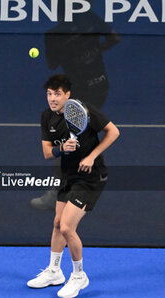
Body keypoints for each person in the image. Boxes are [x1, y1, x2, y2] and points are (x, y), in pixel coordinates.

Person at [27, 74, 120, 298]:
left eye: (57, 93)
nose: (52, 98)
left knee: (68, 227)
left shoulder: (85, 110)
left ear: (67, 95)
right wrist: (62, 149)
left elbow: (114, 132)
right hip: (68, 176)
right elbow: (47, 153)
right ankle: (55, 272)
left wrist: (91, 156)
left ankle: (79, 275)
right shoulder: (46, 117)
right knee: (57, 223)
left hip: (90, 177)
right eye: (49, 94)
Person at [30, 1, 120, 211]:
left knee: (63, 140)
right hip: (101, 84)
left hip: (79, 93)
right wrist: (94, 50)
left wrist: (71, 55)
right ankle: (90, 174)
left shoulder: (53, 35)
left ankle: (59, 190)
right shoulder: (89, 17)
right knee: (77, 136)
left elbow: (52, 64)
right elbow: (115, 37)